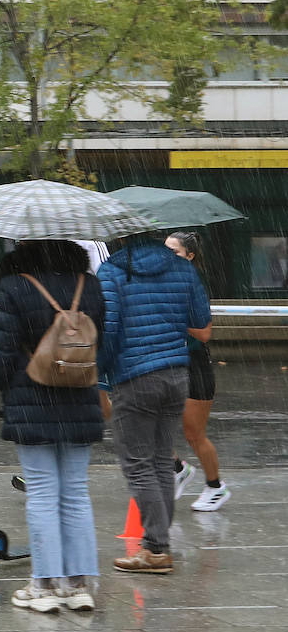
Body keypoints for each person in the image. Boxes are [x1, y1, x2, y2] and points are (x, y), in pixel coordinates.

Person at [0, 241, 105, 612]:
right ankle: (77, 586)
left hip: (32, 399)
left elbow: (3, 356)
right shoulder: (87, 285)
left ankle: (42, 586)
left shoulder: (15, 286)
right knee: (75, 493)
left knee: (41, 493)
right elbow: (101, 341)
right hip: (80, 396)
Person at [97, 232, 211, 574]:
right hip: (177, 373)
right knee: (162, 460)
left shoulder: (111, 271)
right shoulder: (182, 268)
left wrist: (99, 371)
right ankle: (157, 546)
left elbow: (108, 330)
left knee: (137, 463)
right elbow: (200, 320)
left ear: (122, 236)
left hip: (133, 377)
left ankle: (156, 548)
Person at [165, 231, 229, 512]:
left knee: (194, 434)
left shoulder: (193, 286)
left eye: (174, 251)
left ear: (190, 256)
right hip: (167, 362)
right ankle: (177, 468)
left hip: (194, 367)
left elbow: (204, 333)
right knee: (151, 423)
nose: (167, 257)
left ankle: (216, 487)